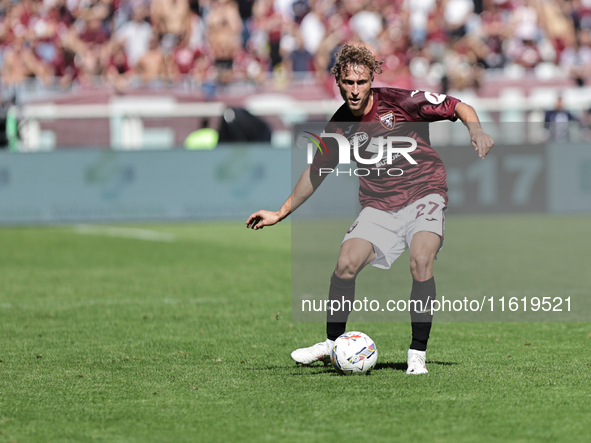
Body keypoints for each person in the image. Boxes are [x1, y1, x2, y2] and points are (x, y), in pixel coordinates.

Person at [246, 44, 494, 374]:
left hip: (424, 194)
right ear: (338, 82)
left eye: (361, 83)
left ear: (371, 80)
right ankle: (333, 345)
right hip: (379, 205)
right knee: (346, 263)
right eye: (348, 82)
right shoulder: (340, 124)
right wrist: (280, 212)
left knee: (421, 260)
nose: (354, 89)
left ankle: (417, 354)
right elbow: (316, 171)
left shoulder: (401, 101)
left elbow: (459, 105)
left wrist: (475, 130)